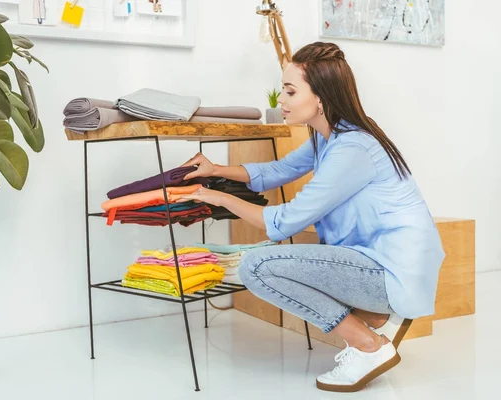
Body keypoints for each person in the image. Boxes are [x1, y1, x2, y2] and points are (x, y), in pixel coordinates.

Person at [179, 42, 445, 393]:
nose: (282, 101)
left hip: (391, 270)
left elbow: (284, 222)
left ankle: (369, 346)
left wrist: (217, 196)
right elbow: (277, 170)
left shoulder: (352, 148)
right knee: (282, 257)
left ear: (319, 97)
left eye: (290, 91)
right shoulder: (333, 136)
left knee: (256, 265)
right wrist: (216, 169)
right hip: (382, 262)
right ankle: (377, 318)